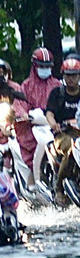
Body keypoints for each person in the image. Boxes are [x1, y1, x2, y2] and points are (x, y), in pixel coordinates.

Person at [45, 57, 80, 202]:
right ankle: (59, 188)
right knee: (72, 148)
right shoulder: (57, 94)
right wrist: (53, 124)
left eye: (74, 75)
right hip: (63, 135)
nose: (71, 78)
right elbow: (49, 113)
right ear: (63, 76)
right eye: (68, 75)